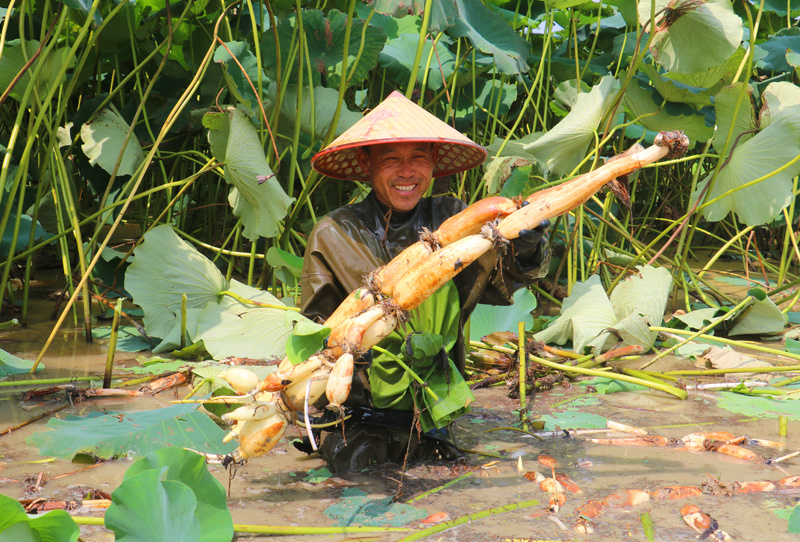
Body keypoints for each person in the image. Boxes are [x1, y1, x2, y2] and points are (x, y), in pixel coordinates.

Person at [299, 91, 550, 471]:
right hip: (358, 413)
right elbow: (315, 332)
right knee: (359, 473)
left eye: (418, 158)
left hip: (436, 405)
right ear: (366, 164)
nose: (407, 172)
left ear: (434, 162)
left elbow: (505, 279)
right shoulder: (335, 233)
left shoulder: (453, 219)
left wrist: (527, 241)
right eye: (391, 160)